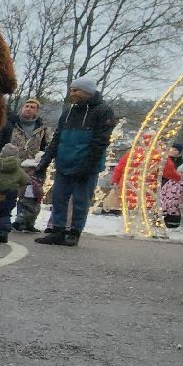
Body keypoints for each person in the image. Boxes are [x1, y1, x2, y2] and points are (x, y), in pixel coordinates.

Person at [35, 75, 118, 247]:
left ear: (87, 91)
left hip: (86, 167)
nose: (71, 93)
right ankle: (57, 231)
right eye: (71, 89)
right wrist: (45, 162)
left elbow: (100, 142)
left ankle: (74, 232)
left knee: (81, 201)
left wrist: (87, 166)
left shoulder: (103, 111)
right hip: (64, 163)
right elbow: (57, 138)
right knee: (59, 199)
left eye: (75, 90)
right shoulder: (68, 113)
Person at [0, 98, 52, 231]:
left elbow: (47, 145)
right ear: (22, 107)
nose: (28, 108)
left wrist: (42, 159)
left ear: (37, 111)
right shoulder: (11, 123)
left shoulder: (43, 128)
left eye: (32, 107)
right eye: (26, 106)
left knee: (31, 194)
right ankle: (2, 220)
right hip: (11, 161)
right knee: (8, 192)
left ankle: (25, 222)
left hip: (33, 164)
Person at [158, 144, 183, 228]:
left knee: (174, 214)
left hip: (176, 201)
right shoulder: (166, 159)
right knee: (165, 211)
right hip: (166, 183)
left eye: (175, 150)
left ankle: (173, 225)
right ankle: (163, 223)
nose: (172, 151)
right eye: (171, 149)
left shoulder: (182, 163)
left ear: (179, 151)